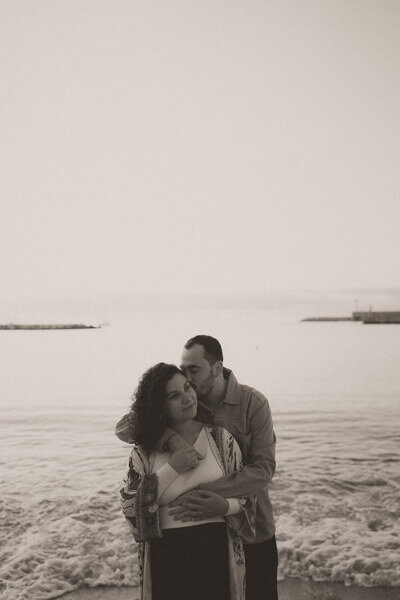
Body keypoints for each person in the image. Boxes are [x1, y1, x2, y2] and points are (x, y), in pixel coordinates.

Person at [117, 336, 278, 600]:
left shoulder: (253, 403)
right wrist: (173, 440)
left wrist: (203, 493)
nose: (186, 376)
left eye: (194, 369)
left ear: (216, 368)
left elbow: (263, 469)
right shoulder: (188, 398)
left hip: (253, 529)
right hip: (191, 549)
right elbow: (127, 428)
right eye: (184, 368)